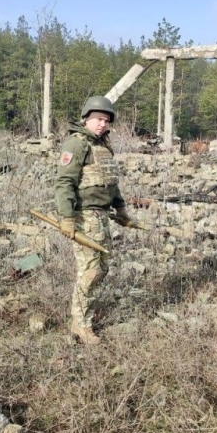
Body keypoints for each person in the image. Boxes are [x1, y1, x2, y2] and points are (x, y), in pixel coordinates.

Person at [55, 96, 135, 344]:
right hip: (84, 216)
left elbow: (110, 182)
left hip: (101, 216)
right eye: (98, 119)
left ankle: (84, 312)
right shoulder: (76, 144)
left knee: (102, 268)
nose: (102, 124)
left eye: (106, 120)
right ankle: (80, 324)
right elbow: (64, 182)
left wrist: (120, 209)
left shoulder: (102, 146)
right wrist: (67, 218)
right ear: (86, 118)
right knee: (90, 271)